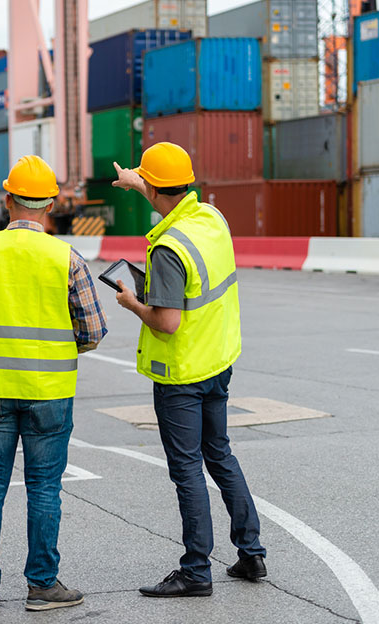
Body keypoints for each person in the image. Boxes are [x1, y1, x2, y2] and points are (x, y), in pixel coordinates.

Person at [0, 155, 107, 611]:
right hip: (49, 394)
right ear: (51, 204)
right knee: (44, 487)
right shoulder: (67, 259)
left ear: (7, 200)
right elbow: (92, 330)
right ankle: (42, 585)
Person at [110, 143, 267, 598]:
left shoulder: (168, 249)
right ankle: (251, 553)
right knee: (220, 455)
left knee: (187, 470)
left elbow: (166, 321)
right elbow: (169, 201)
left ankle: (196, 570)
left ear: (156, 187)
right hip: (219, 361)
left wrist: (131, 301)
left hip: (182, 374)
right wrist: (140, 183)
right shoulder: (212, 219)